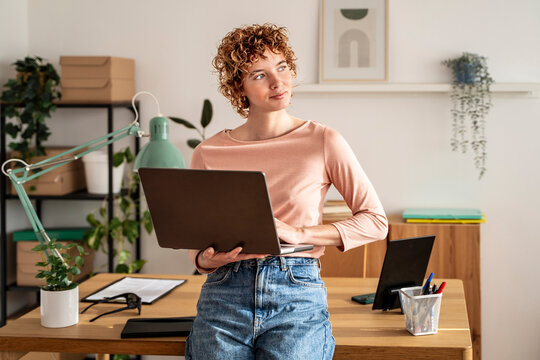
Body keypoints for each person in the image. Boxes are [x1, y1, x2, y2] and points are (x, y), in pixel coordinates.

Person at [185, 23, 388, 360]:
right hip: (223, 295)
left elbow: (375, 221)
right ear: (240, 87)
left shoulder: (323, 141)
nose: (278, 81)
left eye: (282, 68)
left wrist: (299, 232)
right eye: (259, 74)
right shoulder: (208, 152)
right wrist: (204, 259)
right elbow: (197, 242)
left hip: (295, 290)